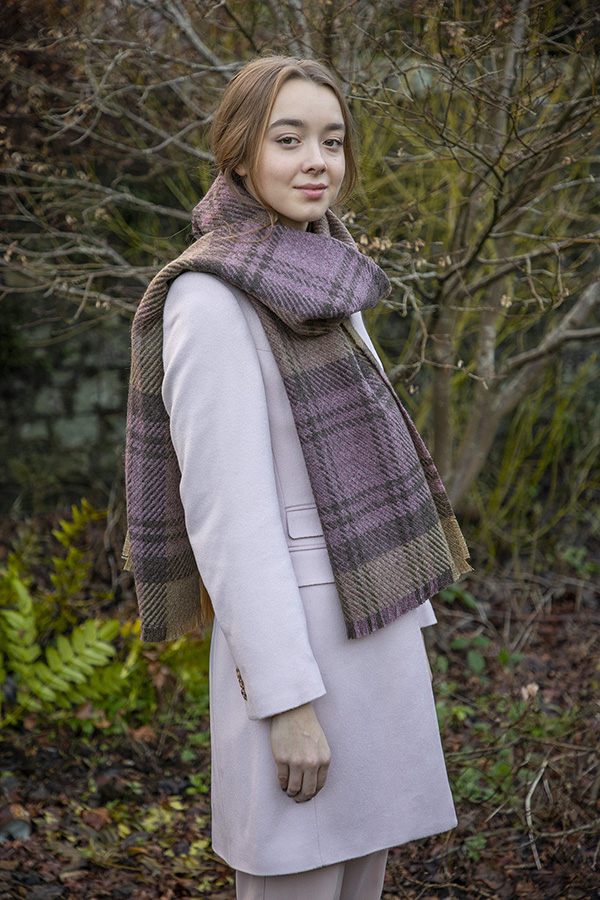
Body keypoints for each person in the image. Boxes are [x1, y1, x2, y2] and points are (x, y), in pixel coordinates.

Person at [124, 55, 471, 900]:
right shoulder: (209, 299)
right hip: (299, 656)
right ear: (240, 153)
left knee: (362, 881)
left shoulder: (327, 279)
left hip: (375, 626)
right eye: (289, 139)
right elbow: (229, 522)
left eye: (333, 140)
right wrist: (285, 705)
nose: (318, 160)